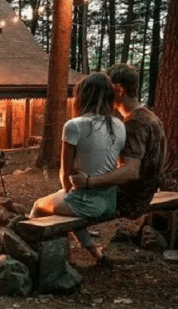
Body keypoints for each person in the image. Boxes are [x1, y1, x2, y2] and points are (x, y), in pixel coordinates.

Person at [30, 72, 127, 263]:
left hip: (86, 203)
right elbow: (117, 165)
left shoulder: (74, 126)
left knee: (38, 207)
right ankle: (96, 255)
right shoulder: (119, 125)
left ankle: (40, 259)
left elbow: (65, 175)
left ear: (82, 96)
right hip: (109, 202)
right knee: (68, 203)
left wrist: (68, 189)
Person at [70, 63, 166, 220]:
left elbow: (130, 171)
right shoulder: (150, 117)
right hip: (144, 195)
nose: (104, 94)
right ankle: (88, 244)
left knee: (64, 198)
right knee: (68, 195)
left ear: (119, 90)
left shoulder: (136, 123)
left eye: (107, 90)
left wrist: (89, 182)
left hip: (130, 201)